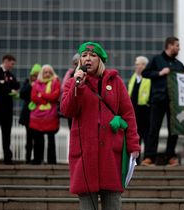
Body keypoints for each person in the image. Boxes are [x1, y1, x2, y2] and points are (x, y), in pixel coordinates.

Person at [61, 42, 140, 210]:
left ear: (100, 60)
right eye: (84, 56)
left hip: (111, 153)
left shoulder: (116, 82)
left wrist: (133, 144)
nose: (88, 59)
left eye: (92, 56)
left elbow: (128, 114)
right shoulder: (72, 83)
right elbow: (67, 110)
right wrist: (78, 86)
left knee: (113, 202)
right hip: (85, 153)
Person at [141, 36, 184, 167]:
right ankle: (149, 157)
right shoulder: (156, 60)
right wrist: (160, 73)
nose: (179, 48)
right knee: (154, 129)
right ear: (170, 45)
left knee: (174, 130)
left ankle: (170, 156)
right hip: (158, 100)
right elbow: (145, 73)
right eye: (177, 45)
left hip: (174, 103)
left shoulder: (179, 65)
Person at [0, 54, 20, 164]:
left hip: (7, 110)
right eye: (11, 64)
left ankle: (8, 158)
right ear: (6, 61)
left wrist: (4, 85)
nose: (12, 66)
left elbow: (16, 85)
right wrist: (7, 87)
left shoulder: (11, 75)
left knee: (7, 135)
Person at [29, 64, 60, 165]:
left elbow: (54, 96)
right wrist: (46, 98)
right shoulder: (36, 83)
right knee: (38, 140)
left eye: (49, 72)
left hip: (51, 115)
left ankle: (52, 161)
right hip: (37, 116)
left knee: (51, 139)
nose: (47, 74)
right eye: (45, 72)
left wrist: (41, 95)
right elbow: (33, 97)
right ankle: (37, 160)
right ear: (42, 73)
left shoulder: (56, 82)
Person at [127, 56, 151, 163]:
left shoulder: (149, 78)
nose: (137, 66)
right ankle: (137, 159)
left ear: (144, 65)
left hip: (145, 110)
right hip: (134, 111)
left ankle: (148, 158)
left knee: (147, 135)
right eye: (136, 64)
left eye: (139, 64)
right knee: (136, 135)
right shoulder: (133, 78)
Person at [19, 64, 42, 164]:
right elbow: (22, 94)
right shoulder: (27, 83)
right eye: (34, 75)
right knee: (29, 139)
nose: (35, 77)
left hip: (39, 115)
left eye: (38, 75)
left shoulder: (43, 83)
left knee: (38, 139)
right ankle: (27, 158)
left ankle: (38, 158)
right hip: (28, 115)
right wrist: (30, 86)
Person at [61, 54, 80, 129]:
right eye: (75, 63)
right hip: (71, 104)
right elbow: (64, 88)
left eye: (79, 63)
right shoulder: (70, 73)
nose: (77, 65)